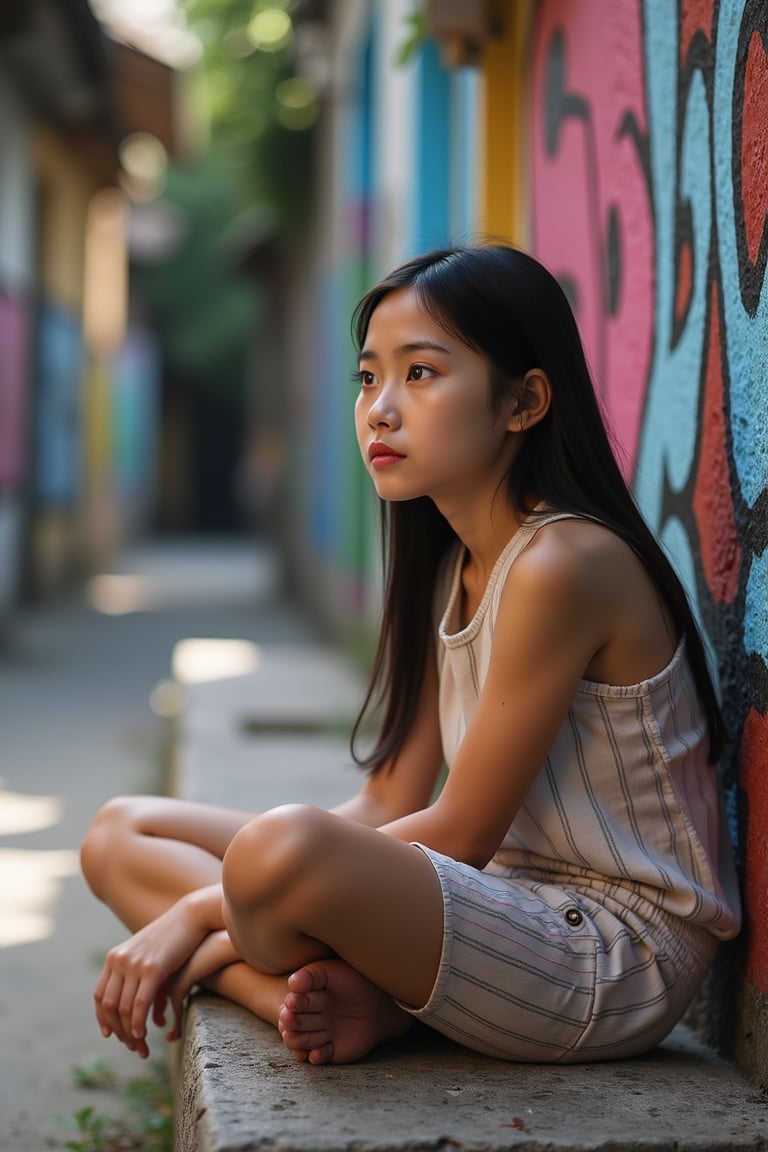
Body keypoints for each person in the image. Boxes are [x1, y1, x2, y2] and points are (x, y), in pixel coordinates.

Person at [81, 244, 741, 1068]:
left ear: (524, 401)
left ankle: (228, 966)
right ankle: (303, 995)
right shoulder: (453, 564)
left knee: (278, 853)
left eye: (421, 374)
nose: (380, 410)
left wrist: (196, 920)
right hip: (500, 908)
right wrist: (265, 883)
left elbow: (459, 832)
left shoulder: (561, 565)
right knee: (118, 832)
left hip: (610, 956)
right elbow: (388, 800)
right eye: (368, 378)